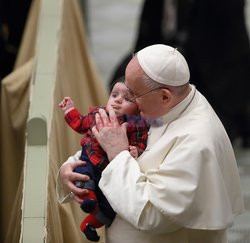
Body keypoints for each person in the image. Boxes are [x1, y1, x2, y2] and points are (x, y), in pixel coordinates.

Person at [57, 44, 244, 243]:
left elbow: (153, 213)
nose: (131, 104)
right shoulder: (162, 108)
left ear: (165, 96)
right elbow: (112, 141)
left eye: (134, 94)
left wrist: (118, 155)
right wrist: (70, 167)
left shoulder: (196, 142)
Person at [58, 78, 149, 241]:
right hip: (89, 158)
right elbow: (80, 123)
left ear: (138, 108)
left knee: (109, 204)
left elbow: (139, 142)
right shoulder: (97, 114)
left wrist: (137, 150)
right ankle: (89, 199)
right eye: (114, 95)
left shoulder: (137, 124)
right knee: (82, 174)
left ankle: (89, 223)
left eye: (127, 99)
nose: (118, 100)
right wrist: (69, 109)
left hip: (110, 168)